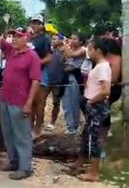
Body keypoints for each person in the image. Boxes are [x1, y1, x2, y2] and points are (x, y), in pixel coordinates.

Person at [0, 4, 41, 180]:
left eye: (18, 36)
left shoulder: (32, 57)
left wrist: (29, 103)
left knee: (22, 135)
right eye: (13, 36)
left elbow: (36, 81)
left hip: (20, 102)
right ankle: (14, 161)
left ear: (26, 39)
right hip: (5, 99)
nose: (13, 39)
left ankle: (25, 167)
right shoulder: (10, 50)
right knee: (8, 133)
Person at [66, 38, 111, 182]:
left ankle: (94, 172)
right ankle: (79, 163)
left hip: (96, 106)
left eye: (90, 49)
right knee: (87, 135)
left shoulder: (103, 67)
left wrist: (91, 101)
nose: (88, 51)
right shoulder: (98, 66)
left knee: (95, 139)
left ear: (97, 50)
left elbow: (105, 90)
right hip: (92, 105)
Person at [28, 14, 52, 139]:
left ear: (42, 25)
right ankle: (30, 128)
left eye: (38, 23)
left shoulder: (45, 39)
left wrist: (36, 63)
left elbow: (49, 57)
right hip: (29, 74)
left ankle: (38, 129)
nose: (35, 25)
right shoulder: (30, 39)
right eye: (33, 22)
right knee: (30, 102)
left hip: (41, 73)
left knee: (39, 103)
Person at [61, 33, 87, 134]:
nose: (71, 40)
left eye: (74, 39)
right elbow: (62, 60)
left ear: (80, 41)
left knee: (75, 103)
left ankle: (75, 127)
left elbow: (71, 55)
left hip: (76, 77)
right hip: (66, 77)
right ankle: (69, 126)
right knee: (66, 103)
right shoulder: (69, 49)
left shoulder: (83, 50)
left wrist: (65, 44)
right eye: (71, 38)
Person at [44, 34, 66, 132]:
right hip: (47, 80)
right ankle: (40, 121)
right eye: (51, 39)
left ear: (61, 40)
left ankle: (53, 122)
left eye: (54, 39)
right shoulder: (49, 51)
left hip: (58, 81)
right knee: (42, 100)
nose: (52, 40)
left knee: (56, 102)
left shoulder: (64, 52)